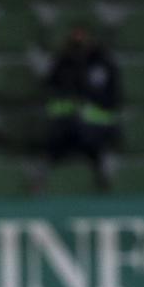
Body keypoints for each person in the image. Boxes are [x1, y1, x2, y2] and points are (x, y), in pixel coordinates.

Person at [44, 25, 120, 191]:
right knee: (54, 138)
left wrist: (87, 101)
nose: (79, 43)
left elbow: (112, 98)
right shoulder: (62, 63)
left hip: (97, 126)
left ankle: (101, 185)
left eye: (83, 38)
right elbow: (51, 90)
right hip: (66, 125)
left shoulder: (102, 64)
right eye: (75, 39)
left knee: (90, 141)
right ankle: (45, 183)